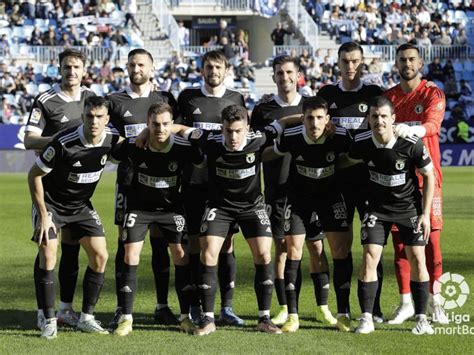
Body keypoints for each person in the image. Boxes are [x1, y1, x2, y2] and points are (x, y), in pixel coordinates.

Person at [173, 105, 301, 335]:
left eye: (238, 131)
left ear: (247, 129)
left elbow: (282, 123)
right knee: (209, 251)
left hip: (251, 207)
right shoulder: (210, 139)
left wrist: (303, 116)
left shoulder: (259, 138)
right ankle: (208, 319)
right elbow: (182, 129)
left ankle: (264, 319)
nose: (232, 136)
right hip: (219, 207)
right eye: (228, 131)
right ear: (221, 128)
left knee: (264, 253)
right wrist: (145, 132)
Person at [251, 56, 336, 327]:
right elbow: (254, 148)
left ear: (298, 74)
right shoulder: (263, 109)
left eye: (289, 72)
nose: (284, 76)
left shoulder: (311, 105)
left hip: (312, 189)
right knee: (283, 248)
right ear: (273, 76)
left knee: (316, 246)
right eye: (279, 72)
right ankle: (285, 307)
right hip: (277, 188)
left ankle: (323, 306)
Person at [28, 96, 120, 339]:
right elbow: (34, 175)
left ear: (107, 120)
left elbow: (132, 145)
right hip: (52, 205)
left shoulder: (112, 139)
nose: (94, 121)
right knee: (48, 254)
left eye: (99, 117)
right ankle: (48, 319)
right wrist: (44, 215)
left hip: (80, 206)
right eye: (89, 116)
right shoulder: (64, 142)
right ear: (83, 116)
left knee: (100, 255)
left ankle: (86, 317)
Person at [111, 102, 203, 336]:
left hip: (171, 209)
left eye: (165, 124)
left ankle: (185, 317)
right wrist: (137, 135)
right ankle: (126, 317)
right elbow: (113, 152)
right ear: (147, 124)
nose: (160, 129)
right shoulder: (135, 145)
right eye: (154, 124)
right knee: (129, 254)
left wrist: (183, 131)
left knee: (181, 256)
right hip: (139, 208)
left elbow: (202, 152)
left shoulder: (183, 147)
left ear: (171, 125)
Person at [262, 96, 350, 332]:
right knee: (293, 251)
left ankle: (342, 313)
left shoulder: (340, 136)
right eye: (310, 118)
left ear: (327, 119)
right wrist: (247, 155)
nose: (315, 123)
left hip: (329, 199)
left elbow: (356, 154)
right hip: (299, 200)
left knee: (338, 251)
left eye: (320, 117)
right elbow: (271, 153)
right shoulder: (291, 137)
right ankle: (293, 315)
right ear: (303, 119)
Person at [350, 96, 435, 335]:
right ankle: (366, 318)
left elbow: (429, 176)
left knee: (417, 258)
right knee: (369, 256)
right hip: (376, 209)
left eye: (384, 116)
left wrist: (425, 214)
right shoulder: (362, 142)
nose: (379, 121)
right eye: (375, 116)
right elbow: (346, 159)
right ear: (368, 120)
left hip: (409, 208)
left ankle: (421, 318)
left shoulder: (411, 143)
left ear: (393, 118)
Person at [24, 49, 96, 331]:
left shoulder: (93, 98)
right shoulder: (45, 100)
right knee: (47, 250)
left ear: (84, 70)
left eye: (76, 67)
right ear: (59, 68)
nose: (72, 72)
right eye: (67, 67)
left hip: (79, 194)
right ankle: (45, 311)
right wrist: (63, 139)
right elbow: (30, 140)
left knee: (75, 250)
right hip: (50, 190)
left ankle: (66, 310)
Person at [108, 49, 180, 327]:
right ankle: (121, 307)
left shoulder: (165, 100)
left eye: (141, 64)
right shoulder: (114, 102)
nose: (136, 68)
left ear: (151, 67)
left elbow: (177, 129)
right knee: (125, 245)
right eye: (132, 64)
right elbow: (110, 144)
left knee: (161, 245)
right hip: (129, 184)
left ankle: (162, 306)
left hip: (163, 186)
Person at [317, 42, 384, 330]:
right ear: (338, 62)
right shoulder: (327, 95)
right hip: (337, 184)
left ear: (362, 62)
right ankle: (343, 309)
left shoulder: (373, 95)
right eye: (345, 61)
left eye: (355, 60)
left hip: (370, 183)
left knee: (373, 246)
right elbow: (311, 119)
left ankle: (374, 308)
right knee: (341, 248)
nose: (350, 66)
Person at [175, 50, 246, 325]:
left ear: (226, 69)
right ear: (201, 69)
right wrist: (189, 132)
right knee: (194, 244)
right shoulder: (188, 96)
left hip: (225, 186)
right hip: (193, 182)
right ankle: (195, 304)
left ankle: (226, 307)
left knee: (226, 245)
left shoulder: (235, 98)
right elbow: (173, 124)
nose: (213, 71)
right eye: (208, 66)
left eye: (218, 66)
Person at [384, 43, 448, 325]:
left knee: (432, 242)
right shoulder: (389, 98)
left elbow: (433, 125)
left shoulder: (433, 93)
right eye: (402, 59)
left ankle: (436, 301)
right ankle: (406, 303)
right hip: (398, 182)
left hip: (428, 181)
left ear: (420, 62)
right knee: (400, 245)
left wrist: (414, 129)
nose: (406, 63)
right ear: (396, 64)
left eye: (411, 59)